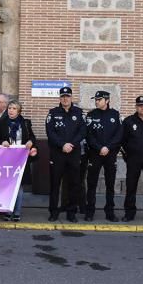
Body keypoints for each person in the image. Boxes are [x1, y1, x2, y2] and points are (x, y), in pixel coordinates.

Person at [45, 86, 85, 223]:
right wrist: (62, 144)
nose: (65, 99)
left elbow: (82, 131)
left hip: (73, 153)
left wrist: (71, 144)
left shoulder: (79, 113)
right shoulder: (53, 113)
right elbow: (50, 132)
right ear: (60, 98)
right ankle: (53, 212)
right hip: (58, 153)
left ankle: (71, 212)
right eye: (62, 97)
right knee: (55, 183)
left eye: (67, 96)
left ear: (71, 97)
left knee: (74, 183)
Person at [85, 91, 123, 222]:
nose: (96, 101)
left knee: (110, 184)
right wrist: (99, 147)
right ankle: (90, 211)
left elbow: (119, 135)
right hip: (95, 154)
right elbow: (88, 135)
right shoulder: (91, 115)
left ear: (107, 100)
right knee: (91, 184)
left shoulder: (115, 115)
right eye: (95, 99)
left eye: (99, 99)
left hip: (110, 154)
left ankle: (110, 212)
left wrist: (108, 147)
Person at [0, 100, 38, 222]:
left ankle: (17, 212)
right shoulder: (2, 123)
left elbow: (32, 137)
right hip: (7, 158)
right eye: (9, 108)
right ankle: (8, 211)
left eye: (14, 108)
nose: (11, 110)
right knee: (7, 185)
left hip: (21, 158)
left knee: (19, 186)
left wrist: (31, 142)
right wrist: (2, 142)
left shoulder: (25, 123)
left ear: (19, 111)